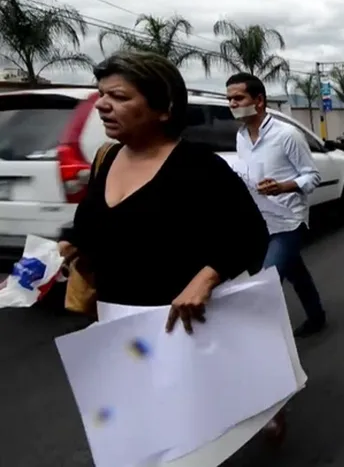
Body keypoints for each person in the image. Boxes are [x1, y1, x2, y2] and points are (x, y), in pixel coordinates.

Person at [56, 51, 281, 436]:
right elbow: (91, 225)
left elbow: (249, 234)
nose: (104, 106)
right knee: (147, 427)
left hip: (183, 320)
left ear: (164, 108)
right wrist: (68, 248)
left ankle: (262, 410)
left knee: (204, 413)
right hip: (119, 321)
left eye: (121, 97)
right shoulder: (106, 159)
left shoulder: (199, 167)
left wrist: (205, 278)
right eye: (102, 96)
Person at [225, 73, 326, 338]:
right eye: (229, 99)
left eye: (238, 97)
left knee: (268, 282)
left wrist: (283, 186)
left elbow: (312, 176)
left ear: (259, 100)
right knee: (296, 272)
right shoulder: (241, 137)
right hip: (262, 219)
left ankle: (264, 345)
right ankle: (317, 316)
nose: (232, 104)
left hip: (289, 219)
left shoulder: (287, 135)